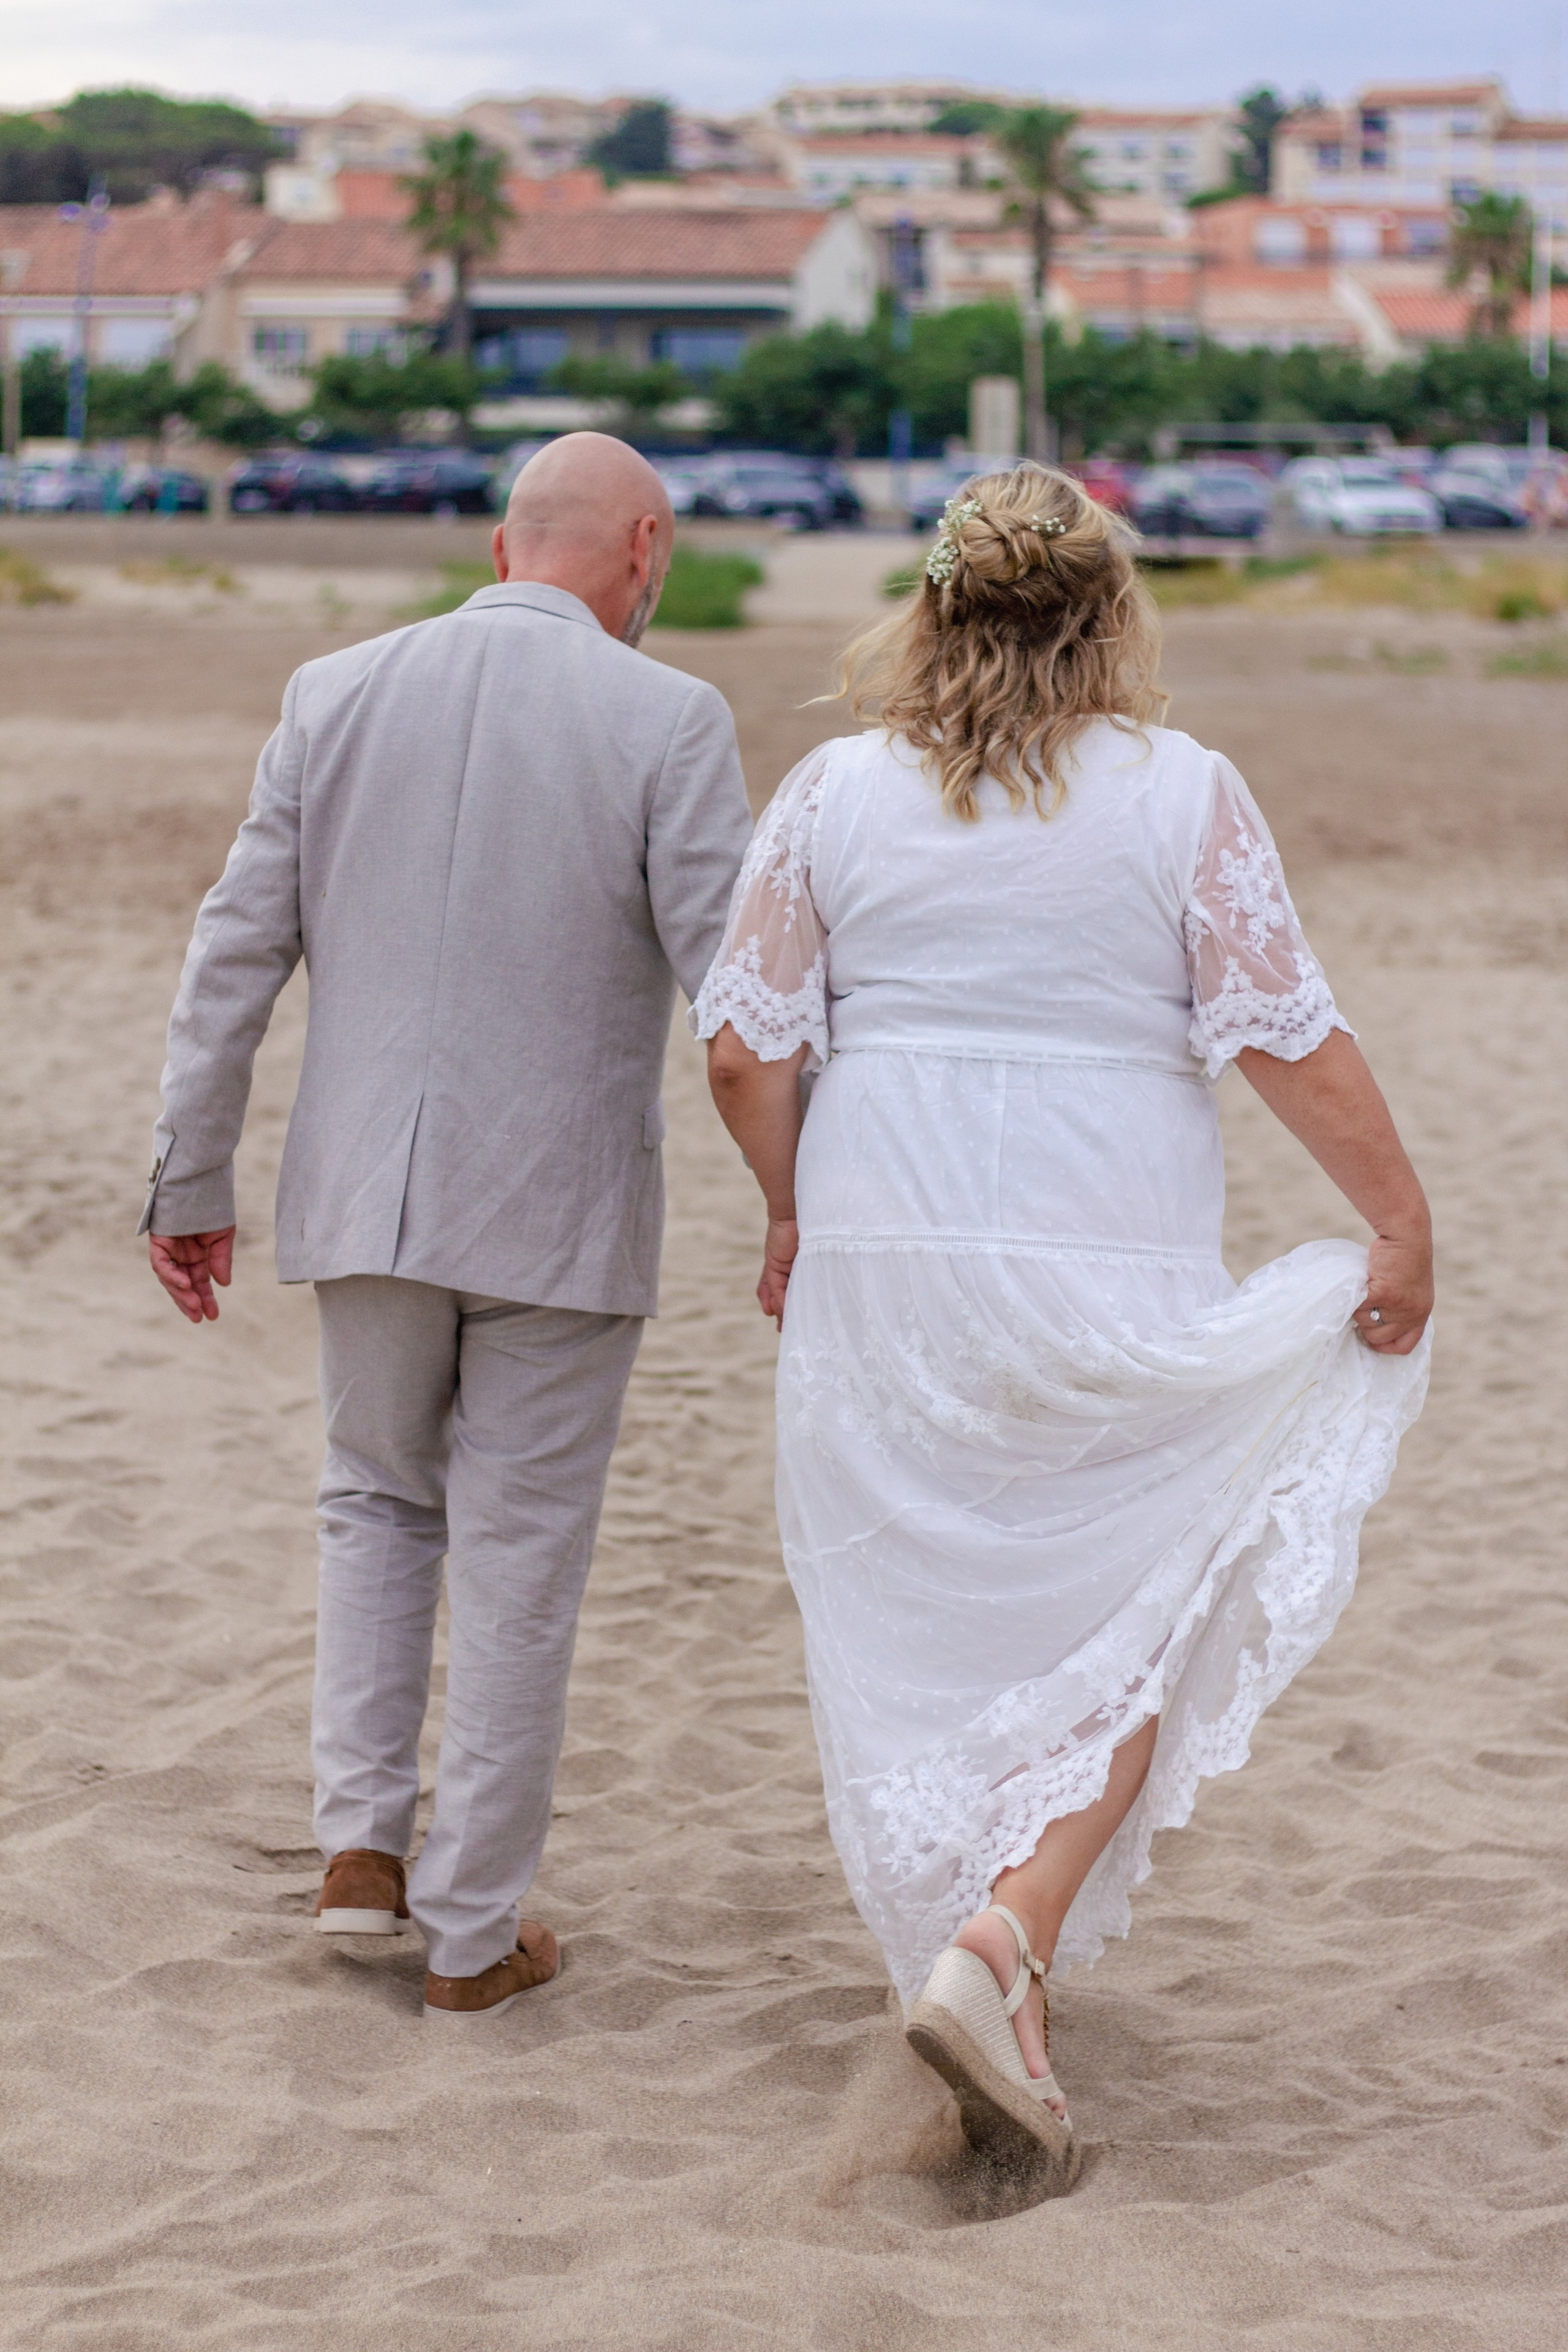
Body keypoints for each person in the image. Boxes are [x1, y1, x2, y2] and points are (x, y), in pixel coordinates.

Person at [693, 466, 1432, 2191]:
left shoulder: (829, 791)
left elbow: (743, 1051)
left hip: (888, 1234)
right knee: (1143, 1595)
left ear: (933, 608)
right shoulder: (1181, 793)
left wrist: (791, 1209)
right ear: (1111, 611)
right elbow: (1282, 1037)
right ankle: (1008, 1937)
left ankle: (990, 1974)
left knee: (940, 1597)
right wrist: (1398, 1219)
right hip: (1103, 1229)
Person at [141, 432, 752, 2022]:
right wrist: (807, 1197)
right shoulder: (671, 719)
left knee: (372, 1504)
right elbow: (737, 1005)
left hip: (363, 1193)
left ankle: (360, 1856)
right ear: (646, 544)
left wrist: (188, 1181)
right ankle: (475, 1934)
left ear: (501, 550)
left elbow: (232, 954)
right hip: (561, 1210)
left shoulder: (333, 690)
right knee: (521, 1555)